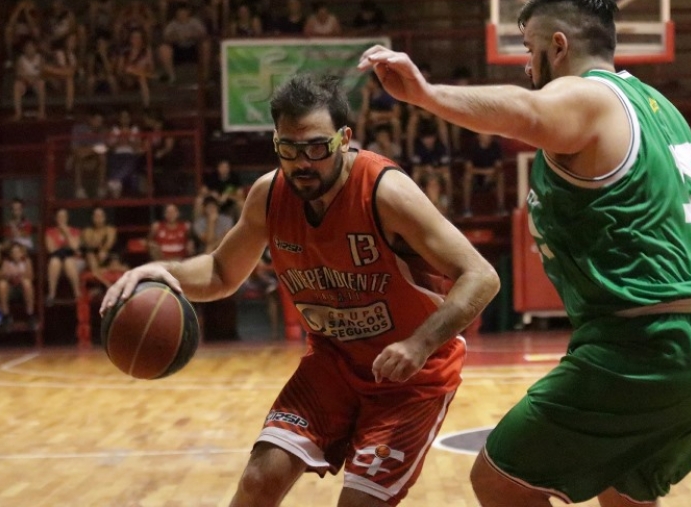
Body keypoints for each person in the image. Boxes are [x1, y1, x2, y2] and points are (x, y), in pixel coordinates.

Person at [358, 0, 691, 506]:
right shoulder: (658, 106)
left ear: (558, 46)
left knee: (500, 480)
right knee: (623, 491)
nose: (526, 64)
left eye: (529, 49)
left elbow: (525, 109)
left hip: (648, 343)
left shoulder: (584, 97)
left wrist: (426, 95)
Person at [101, 73, 500, 506]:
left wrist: (419, 343)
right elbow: (220, 271)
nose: (302, 162)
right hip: (333, 364)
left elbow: (481, 276)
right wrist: (159, 270)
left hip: (409, 378)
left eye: (315, 148)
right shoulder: (269, 196)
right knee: (259, 479)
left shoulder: (386, 193)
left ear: (344, 139)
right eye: (288, 150)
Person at [45, 207, 82, 305]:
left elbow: (75, 247)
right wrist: (64, 247)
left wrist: (66, 234)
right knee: (54, 262)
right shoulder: (50, 232)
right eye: (59, 216)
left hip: (73, 260)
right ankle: (51, 295)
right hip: (57, 259)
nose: (62, 219)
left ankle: (77, 294)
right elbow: (51, 249)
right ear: (56, 218)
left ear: (67, 218)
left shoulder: (74, 231)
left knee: (68, 262)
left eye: (64, 216)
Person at [0, 242, 36, 329]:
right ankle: (6, 316)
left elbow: (30, 276)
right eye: (13, 252)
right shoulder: (7, 262)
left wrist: (20, 276)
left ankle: (30, 315)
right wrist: (9, 276)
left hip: (23, 289)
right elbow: (2, 275)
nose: (16, 254)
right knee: (2, 285)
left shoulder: (26, 261)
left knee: (27, 283)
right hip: (11, 289)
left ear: (22, 253)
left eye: (18, 252)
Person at [82, 206, 117, 282]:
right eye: (96, 216)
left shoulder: (110, 229)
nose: (99, 218)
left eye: (101, 216)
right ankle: (107, 285)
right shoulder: (88, 230)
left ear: (105, 217)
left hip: (107, 255)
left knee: (104, 255)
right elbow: (89, 244)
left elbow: (109, 244)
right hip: (92, 257)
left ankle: (103, 272)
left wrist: (103, 249)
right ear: (92, 217)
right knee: (90, 255)